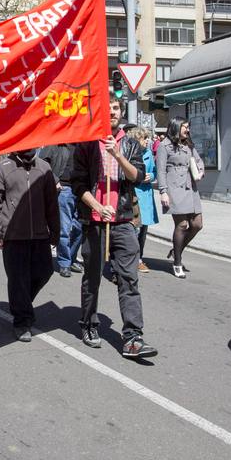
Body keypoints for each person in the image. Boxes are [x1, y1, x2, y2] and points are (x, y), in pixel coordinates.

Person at [70, 97, 156, 359]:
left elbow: (137, 177)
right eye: (107, 110)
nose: (113, 113)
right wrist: (97, 206)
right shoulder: (85, 145)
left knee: (129, 279)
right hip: (94, 223)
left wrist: (117, 154)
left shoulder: (130, 144)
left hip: (124, 222)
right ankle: (89, 323)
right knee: (93, 277)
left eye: (116, 108)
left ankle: (133, 337)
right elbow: (78, 186)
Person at [0, 148, 60, 342]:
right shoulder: (3, 168)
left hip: (40, 235)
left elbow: (52, 203)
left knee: (44, 272)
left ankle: (22, 303)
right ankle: (22, 320)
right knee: (18, 278)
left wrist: (55, 232)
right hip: (13, 235)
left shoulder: (44, 168)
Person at [156, 118, 204, 278]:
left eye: (188, 127)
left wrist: (201, 170)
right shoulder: (164, 146)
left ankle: (177, 249)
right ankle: (177, 262)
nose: (187, 130)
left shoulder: (188, 143)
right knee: (182, 225)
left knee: (197, 224)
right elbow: (161, 170)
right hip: (174, 187)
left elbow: (198, 160)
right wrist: (163, 191)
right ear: (176, 127)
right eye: (185, 127)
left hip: (190, 187)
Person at [39, 143, 83, 277]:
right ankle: (64, 262)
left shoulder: (84, 145)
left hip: (82, 190)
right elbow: (42, 162)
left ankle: (71, 256)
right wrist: (55, 179)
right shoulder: (56, 143)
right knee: (64, 228)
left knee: (80, 227)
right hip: (64, 189)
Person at [128, 125, 160, 272]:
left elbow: (154, 172)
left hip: (146, 195)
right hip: (134, 194)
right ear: (137, 139)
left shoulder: (148, 153)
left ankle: (140, 258)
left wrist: (151, 177)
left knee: (143, 230)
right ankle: (131, 259)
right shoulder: (128, 153)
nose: (148, 141)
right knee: (133, 230)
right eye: (145, 138)